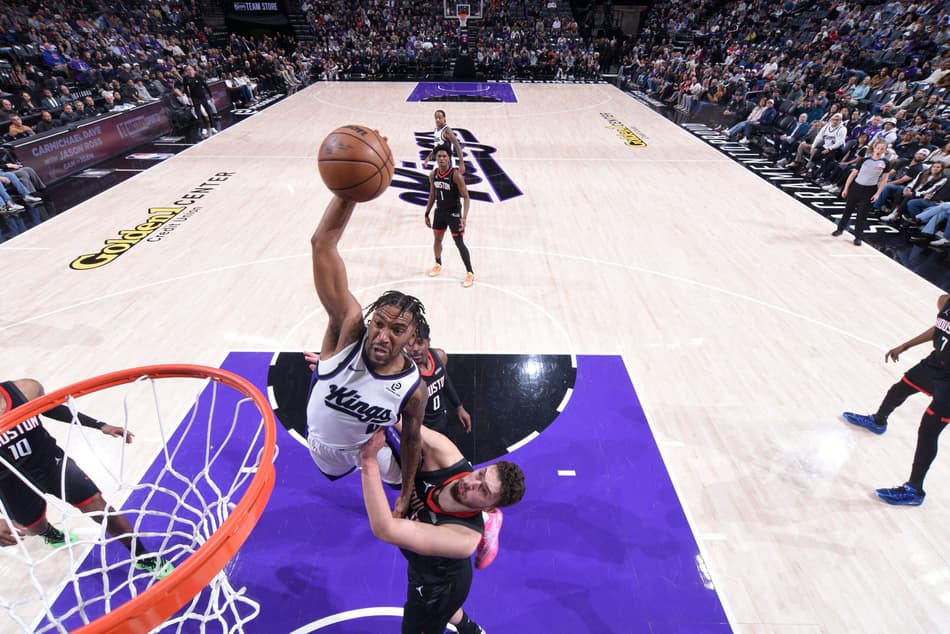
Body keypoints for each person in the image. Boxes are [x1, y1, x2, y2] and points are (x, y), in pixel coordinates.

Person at [306, 193, 428, 518]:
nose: (383, 336)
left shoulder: (413, 388)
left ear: (411, 338)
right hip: (320, 448)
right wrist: (348, 193)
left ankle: (419, 497)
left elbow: (414, 439)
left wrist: (406, 493)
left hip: (364, 448)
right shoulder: (347, 329)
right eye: (379, 324)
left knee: (411, 471)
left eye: (397, 330)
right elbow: (322, 244)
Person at [359, 424, 525, 633]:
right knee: (447, 609)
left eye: (483, 490)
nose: (471, 482)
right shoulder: (446, 455)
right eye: (481, 474)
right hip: (422, 562)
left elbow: (385, 529)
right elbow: (402, 418)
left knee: (424, 620)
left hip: (440, 584)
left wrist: (368, 461)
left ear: (490, 506)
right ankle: (469, 629)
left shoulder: (464, 539)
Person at [0, 378, 173, 576]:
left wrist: (99, 425)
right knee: (34, 528)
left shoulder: (25, 389)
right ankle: (47, 532)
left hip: (51, 464)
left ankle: (142, 555)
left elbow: (48, 408)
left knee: (102, 509)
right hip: (11, 483)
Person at [843, 295, 950, 506]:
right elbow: (939, 329)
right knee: (899, 390)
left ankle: (914, 490)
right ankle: (878, 421)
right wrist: (906, 345)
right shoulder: (945, 301)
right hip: (935, 364)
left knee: (928, 432)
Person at [406, 320, 472, 436]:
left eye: (420, 343)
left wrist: (459, 407)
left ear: (428, 342)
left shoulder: (439, 356)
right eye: (410, 344)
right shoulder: (407, 374)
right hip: (422, 429)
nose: (415, 349)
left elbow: (444, 380)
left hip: (441, 419)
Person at [424, 148, 475, 288]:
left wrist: (464, 218)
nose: (441, 158)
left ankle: (470, 272)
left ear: (449, 158)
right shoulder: (433, 174)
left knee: (459, 242)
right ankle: (438, 263)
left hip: (454, 213)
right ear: (436, 158)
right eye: (439, 156)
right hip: (439, 212)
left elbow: (466, 197)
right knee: (437, 239)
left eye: (444, 156)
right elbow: (432, 195)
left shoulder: (455, 175)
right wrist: (427, 213)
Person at [831, 138, 893, 246]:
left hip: (870, 190)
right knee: (848, 211)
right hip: (856, 188)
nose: (879, 150)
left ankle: (858, 237)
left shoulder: (885, 163)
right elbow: (853, 174)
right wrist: (846, 188)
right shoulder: (864, 160)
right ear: (874, 147)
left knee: (862, 215)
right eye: (878, 148)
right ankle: (840, 229)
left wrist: (877, 193)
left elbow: (884, 180)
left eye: (882, 149)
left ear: (885, 150)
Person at [422, 109, 466, 175]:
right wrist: (428, 157)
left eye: (439, 118)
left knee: (445, 183)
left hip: (447, 162)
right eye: (436, 118)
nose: (437, 120)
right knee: (434, 181)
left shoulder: (447, 131)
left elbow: (457, 146)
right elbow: (437, 146)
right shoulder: (436, 130)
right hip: (438, 161)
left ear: (444, 118)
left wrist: (461, 164)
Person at [182, 66, 216, 138]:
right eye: (187, 70)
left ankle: (213, 126)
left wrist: (211, 96)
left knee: (208, 111)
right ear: (186, 71)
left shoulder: (199, 76)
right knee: (198, 113)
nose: (189, 71)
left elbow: (206, 86)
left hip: (202, 96)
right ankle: (203, 128)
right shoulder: (186, 78)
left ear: (193, 70)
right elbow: (185, 89)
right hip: (195, 98)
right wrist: (189, 97)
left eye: (190, 69)